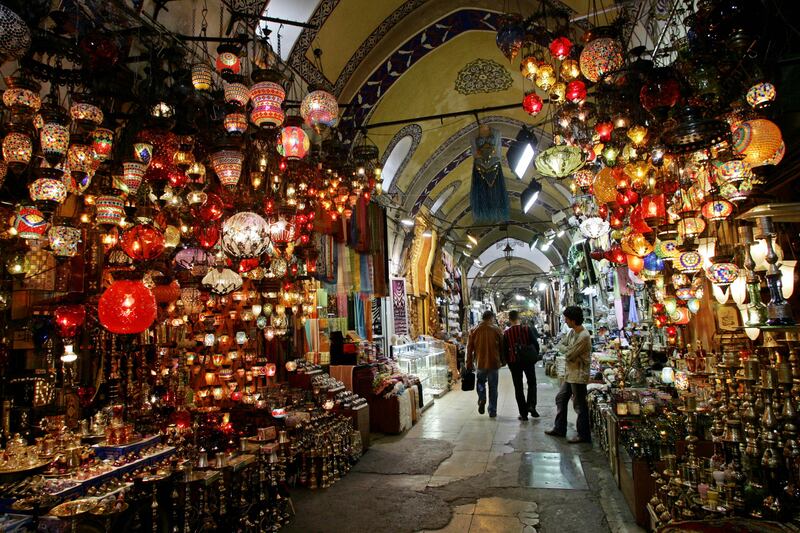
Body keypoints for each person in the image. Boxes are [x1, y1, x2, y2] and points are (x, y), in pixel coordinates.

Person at [545, 306, 592, 443]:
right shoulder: (572, 333)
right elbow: (561, 345)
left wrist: (568, 351)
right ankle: (560, 428)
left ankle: (583, 435)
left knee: (579, 405)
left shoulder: (583, 336)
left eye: (566, 318)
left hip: (578, 375)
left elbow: (570, 355)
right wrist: (568, 350)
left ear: (573, 320)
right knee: (561, 398)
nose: (565, 321)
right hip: (570, 374)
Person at [466, 310, 504, 418]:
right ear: (491, 318)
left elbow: (469, 349)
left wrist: (468, 363)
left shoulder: (474, 330)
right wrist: (503, 360)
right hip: (494, 363)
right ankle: (492, 411)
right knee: (493, 387)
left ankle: (482, 397)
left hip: (480, 362)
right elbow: (502, 347)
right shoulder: (497, 330)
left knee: (480, 383)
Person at [503, 310, 540, 421]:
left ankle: (523, 414)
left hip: (514, 362)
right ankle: (531, 405)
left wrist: (509, 363)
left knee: (518, 387)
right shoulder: (526, 329)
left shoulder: (507, 333)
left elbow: (505, 351)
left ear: (509, 319)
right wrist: (534, 357)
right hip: (528, 361)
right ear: (519, 318)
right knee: (532, 383)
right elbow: (536, 344)